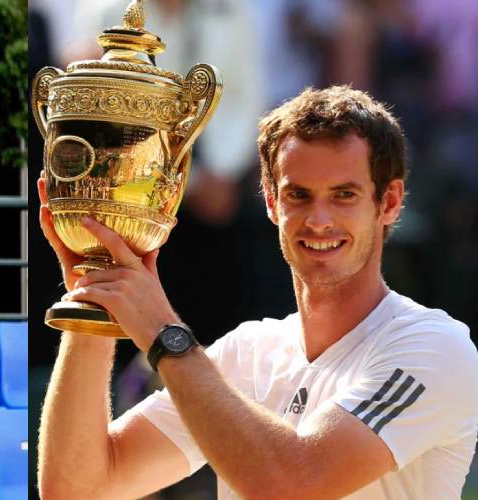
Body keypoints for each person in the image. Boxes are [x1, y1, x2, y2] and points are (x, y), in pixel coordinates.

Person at [37, 85, 478, 499]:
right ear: (270, 201)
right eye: (299, 195)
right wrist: (94, 297)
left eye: (344, 195)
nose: (319, 219)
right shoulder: (245, 354)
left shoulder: (436, 347)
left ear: (390, 202)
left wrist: (164, 333)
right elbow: (77, 489)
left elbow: (292, 486)